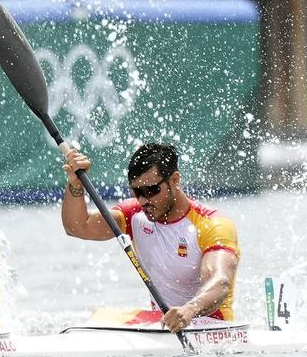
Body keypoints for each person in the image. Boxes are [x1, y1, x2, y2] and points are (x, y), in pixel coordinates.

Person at [61, 142, 239, 332]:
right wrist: (75, 184)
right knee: (97, 317)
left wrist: (189, 310)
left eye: (152, 190)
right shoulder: (134, 215)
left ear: (175, 180)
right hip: (162, 324)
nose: (144, 200)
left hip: (212, 326)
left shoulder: (212, 225)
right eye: (137, 192)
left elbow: (220, 281)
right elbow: (77, 227)